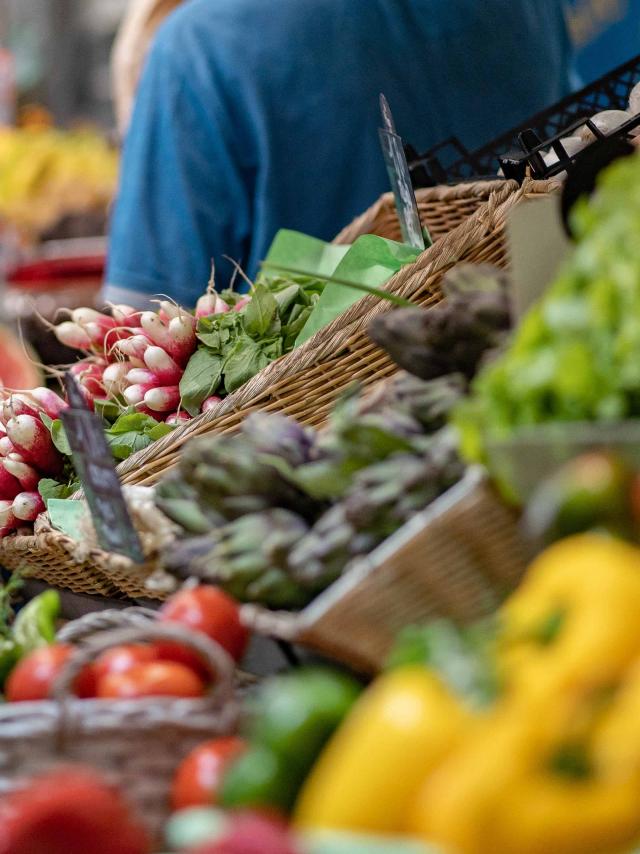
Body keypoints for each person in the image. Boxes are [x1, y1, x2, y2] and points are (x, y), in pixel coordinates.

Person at [104, 0, 575, 308]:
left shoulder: (198, 45)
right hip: (548, 376)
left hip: (320, 423)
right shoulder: (528, 8)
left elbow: (143, 319)